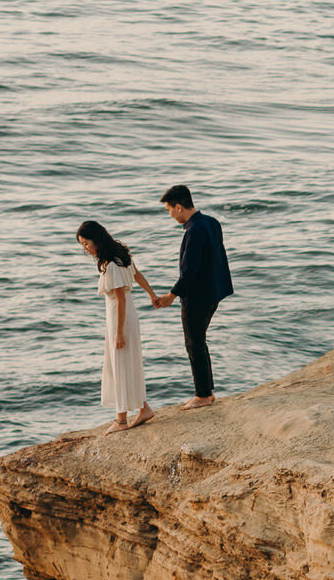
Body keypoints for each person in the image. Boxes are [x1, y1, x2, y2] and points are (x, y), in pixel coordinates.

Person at [152, 184, 234, 408]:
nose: (170, 214)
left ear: (179, 207)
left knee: (194, 343)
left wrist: (171, 295)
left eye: (169, 210)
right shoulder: (211, 222)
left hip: (198, 296)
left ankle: (203, 396)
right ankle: (207, 392)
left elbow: (190, 270)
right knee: (199, 342)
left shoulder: (194, 230)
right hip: (214, 291)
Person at [75, 220, 161, 433]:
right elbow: (138, 276)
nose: (84, 249)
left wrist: (119, 332)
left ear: (96, 239)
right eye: (82, 245)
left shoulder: (111, 264)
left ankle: (121, 420)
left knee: (120, 365)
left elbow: (120, 299)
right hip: (125, 316)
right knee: (126, 363)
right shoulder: (120, 255)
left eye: (86, 243)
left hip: (120, 318)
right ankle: (143, 408)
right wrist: (152, 295)